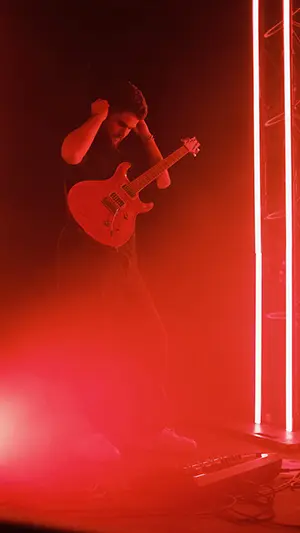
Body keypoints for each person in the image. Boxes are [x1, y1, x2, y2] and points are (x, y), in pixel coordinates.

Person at [58, 81, 197, 465]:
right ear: (106, 114)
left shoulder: (130, 150)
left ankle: (153, 429)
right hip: (83, 258)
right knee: (92, 343)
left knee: (152, 335)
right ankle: (86, 433)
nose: (123, 131)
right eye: (121, 123)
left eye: (128, 126)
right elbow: (70, 156)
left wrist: (146, 133)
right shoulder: (86, 141)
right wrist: (99, 116)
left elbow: (164, 179)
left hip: (124, 257)